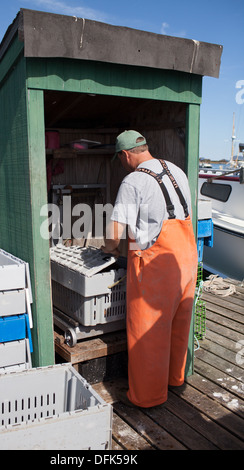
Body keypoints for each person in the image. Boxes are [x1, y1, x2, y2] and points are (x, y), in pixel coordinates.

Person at [101, 130, 198, 408]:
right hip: (186, 261)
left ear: (125, 155)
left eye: (120, 159)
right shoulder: (177, 171)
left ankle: (148, 397)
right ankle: (174, 381)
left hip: (155, 268)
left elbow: (114, 234)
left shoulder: (133, 181)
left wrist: (108, 250)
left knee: (148, 333)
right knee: (177, 325)